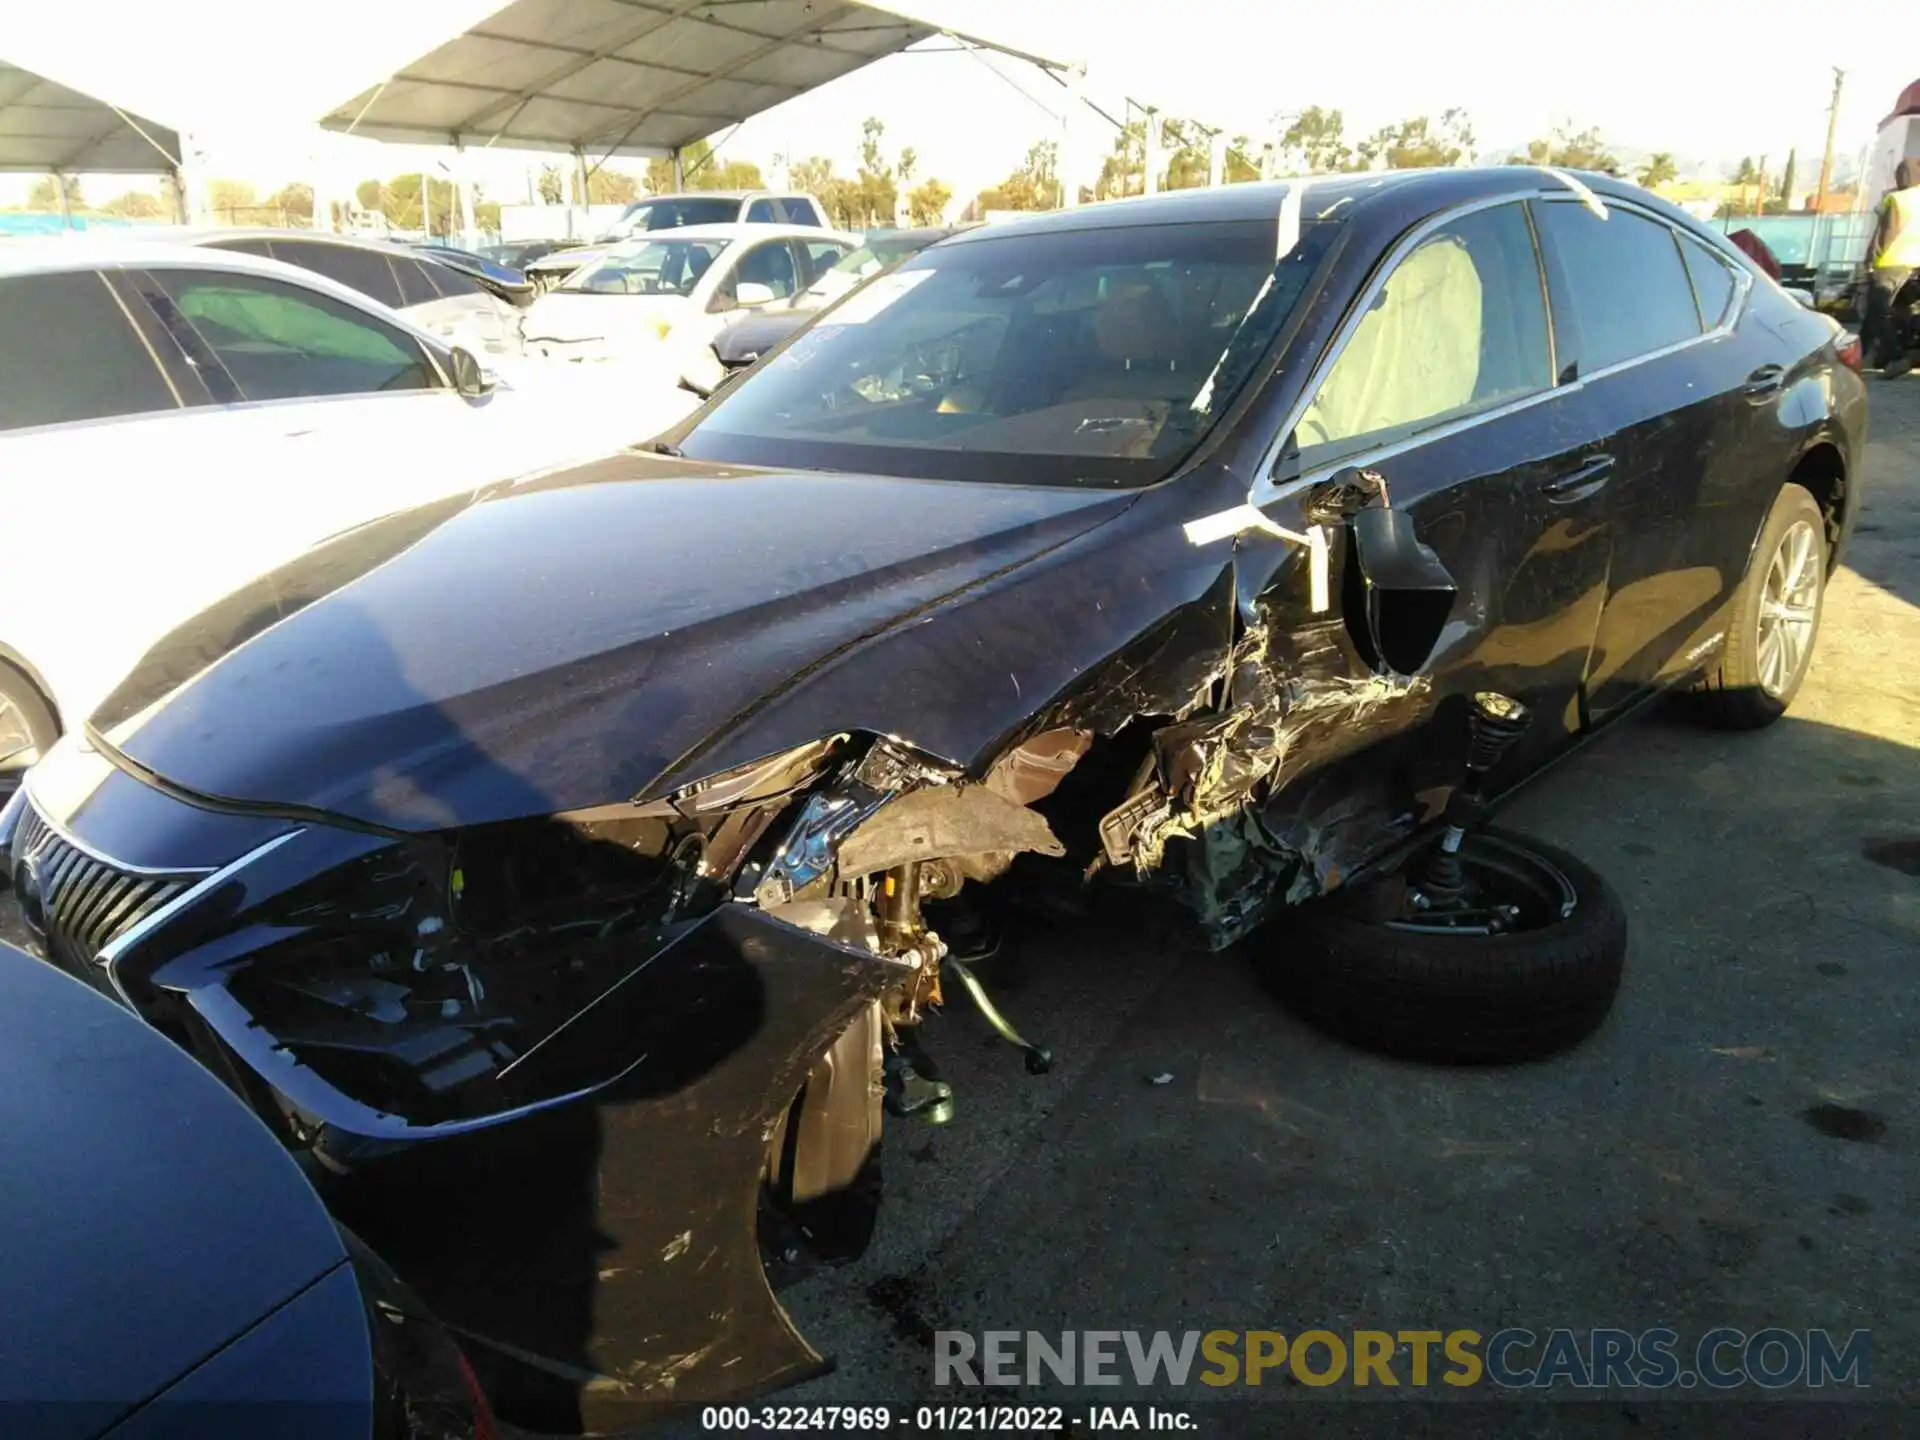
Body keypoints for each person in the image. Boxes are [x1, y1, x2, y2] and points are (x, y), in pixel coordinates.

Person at [1863, 158, 1920, 377]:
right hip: (1913, 264)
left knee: (1878, 312)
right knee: (1898, 311)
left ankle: (1896, 357)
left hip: (1889, 262)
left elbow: (1885, 234)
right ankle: (1865, 354)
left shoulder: (1896, 199)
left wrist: (1870, 260)